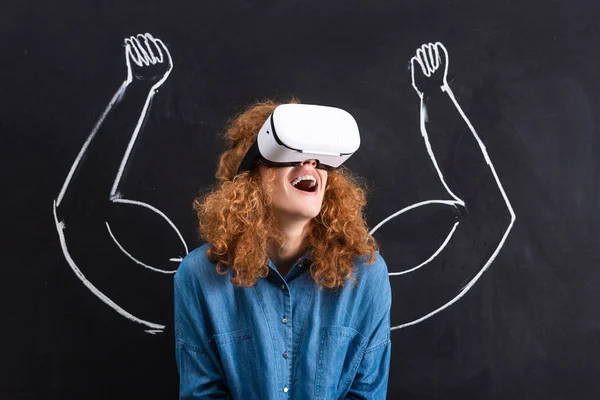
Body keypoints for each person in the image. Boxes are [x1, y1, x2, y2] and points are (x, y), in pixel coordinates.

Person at [174, 99, 392, 399]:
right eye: (292, 154)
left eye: (318, 158)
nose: (310, 164)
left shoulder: (365, 274)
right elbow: (203, 393)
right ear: (252, 176)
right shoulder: (198, 276)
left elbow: (366, 392)